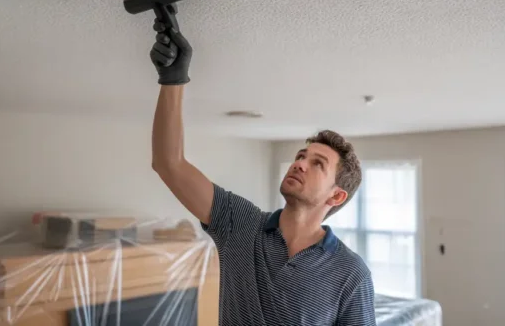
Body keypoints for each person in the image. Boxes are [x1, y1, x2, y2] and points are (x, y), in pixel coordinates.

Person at [148, 17, 376, 325]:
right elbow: (169, 163)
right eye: (301, 156)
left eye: (317, 164)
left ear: (336, 196)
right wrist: (173, 79)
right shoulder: (241, 224)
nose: (300, 163)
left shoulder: (350, 274)